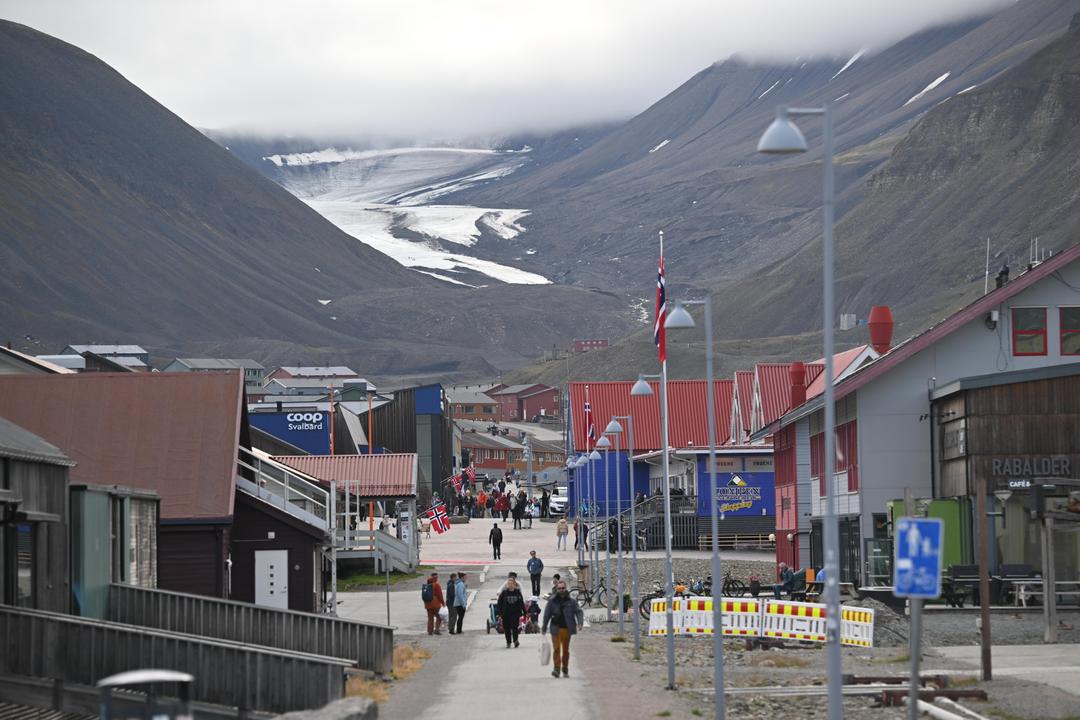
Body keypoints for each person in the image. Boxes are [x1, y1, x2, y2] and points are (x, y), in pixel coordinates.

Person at [542, 579, 584, 678]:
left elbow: (579, 612)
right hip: (555, 628)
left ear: (566, 589)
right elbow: (546, 615)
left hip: (567, 629)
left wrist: (580, 623)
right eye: (559, 588)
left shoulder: (571, 601)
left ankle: (565, 668)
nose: (561, 590)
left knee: (565, 650)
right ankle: (556, 669)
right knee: (556, 648)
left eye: (563, 588)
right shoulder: (552, 601)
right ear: (556, 589)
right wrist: (544, 627)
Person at [497, 576, 525, 648]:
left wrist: (524, 612)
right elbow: (499, 603)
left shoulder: (517, 592)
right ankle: (508, 642)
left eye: (511, 583)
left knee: (515, 627)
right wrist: (499, 613)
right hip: (506, 614)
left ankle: (515, 640)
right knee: (507, 628)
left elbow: (521, 603)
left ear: (514, 584)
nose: (510, 584)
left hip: (515, 613)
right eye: (509, 583)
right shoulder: (504, 593)